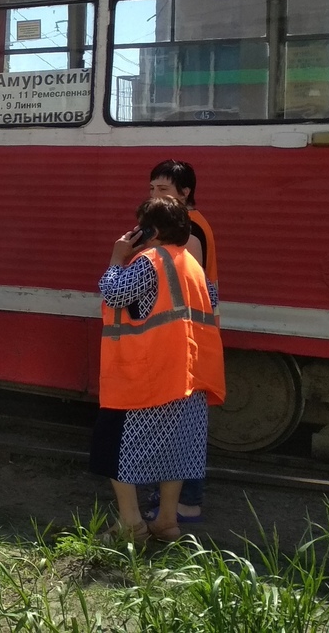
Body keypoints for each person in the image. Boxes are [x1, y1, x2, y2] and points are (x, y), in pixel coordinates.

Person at [92, 196, 226, 543]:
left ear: (149, 230)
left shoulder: (150, 260)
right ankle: (167, 522)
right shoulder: (193, 265)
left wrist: (116, 257)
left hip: (146, 378)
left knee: (114, 447)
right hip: (188, 377)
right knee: (175, 449)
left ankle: (131, 524)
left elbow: (114, 293)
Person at [144, 159, 221, 524]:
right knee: (183, 423)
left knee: (180, 425)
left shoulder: (187, 230)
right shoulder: (195, 224)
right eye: (152, 189)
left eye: (163, 189)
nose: (155, 196)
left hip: (186, 338)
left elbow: (177, 283)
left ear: (185, 192)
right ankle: (179, 501)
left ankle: (185, 502)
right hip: (195, 334)